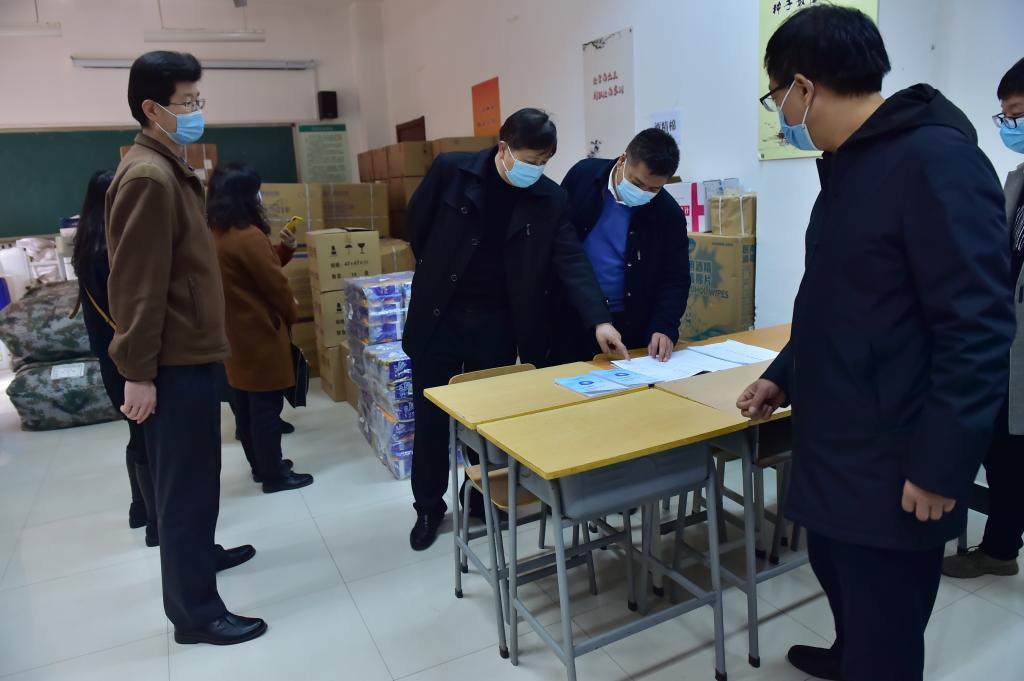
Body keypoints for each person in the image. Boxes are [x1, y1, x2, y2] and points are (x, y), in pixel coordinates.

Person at [734, 7, 1015, 681]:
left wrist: (941, 464)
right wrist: (782, 373)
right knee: (835, 567)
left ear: (803, 87)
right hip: (838, 436)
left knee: (886, 616)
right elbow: (839, 302)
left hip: (896, 453)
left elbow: (978, 327)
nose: (780, 113)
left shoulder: (935, 161)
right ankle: (847, 653)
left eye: (776, 97)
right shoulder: (848, 165)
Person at [402, 108, 628, 551]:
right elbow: (418, 224)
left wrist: (599, 319)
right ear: (503, 148)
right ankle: (428, 507)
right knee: (431, 421)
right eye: (530, 160)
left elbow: (570, 260)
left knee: (487, 421)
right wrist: (440, 270)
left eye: (544, 162)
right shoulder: (452, 171)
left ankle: (479, 497)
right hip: (439, 317)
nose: (536, 170)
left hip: (497, 323)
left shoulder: (550, 198)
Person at [106, 51, 266, 646]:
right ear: (152, 108)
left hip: (190, 352)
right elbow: (136, 283)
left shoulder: (169, 165)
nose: (197, 111)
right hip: (170, 362)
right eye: (187, 102)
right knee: (184, 489)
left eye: (199, 99)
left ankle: (202, 556)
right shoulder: (148, 176)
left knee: (200, 477)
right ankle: (195, 615)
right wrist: (138, 371)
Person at [942, 57, 1024, 580]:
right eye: (1006, 117)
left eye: (1017, 114)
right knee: (1003, 448)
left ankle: (1000, 547)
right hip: (1005, 342)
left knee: (1010, 449)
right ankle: (1001, 547)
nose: (1010, 127)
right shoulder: (1017, 180)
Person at [207, 162, 314, 493]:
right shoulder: (248, 236)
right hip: (259, 333)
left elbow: (253, 272)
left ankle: (261, 466)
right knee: (266, 406)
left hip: (234, 334)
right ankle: (274, 475)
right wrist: (292, 312)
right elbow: (274, 284)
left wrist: (285, 249)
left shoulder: (215, 232)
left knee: (245, 404)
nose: (260, 196)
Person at [72, 169, 159, 547]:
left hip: (108, 357)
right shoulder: (114, 249)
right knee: (150, 437)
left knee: (136, 432)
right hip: (129, 357)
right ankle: (157, 523)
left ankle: (140, 508)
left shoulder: (86, 245)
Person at [551, 128, 688, 363]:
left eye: (653, 189)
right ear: (623, 159)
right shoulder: (583, 176)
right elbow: (559, 243)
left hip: (629, 323)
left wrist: (664, 326)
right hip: (571, 314)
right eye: (637, 183)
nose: (642, 193)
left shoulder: (668, 214)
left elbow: (676, 278)